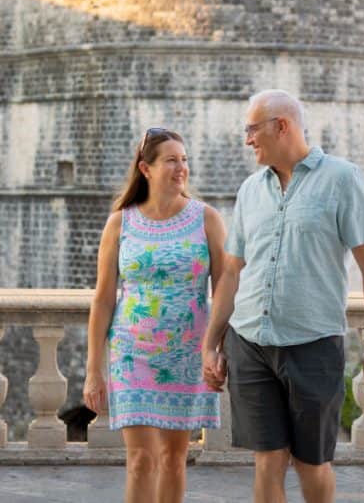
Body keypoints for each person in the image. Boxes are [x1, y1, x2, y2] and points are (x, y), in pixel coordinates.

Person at [201, 90, 364, 503]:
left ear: (281, 126)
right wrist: (211, 344)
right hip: (250, 343)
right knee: (267, 460)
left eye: (252, 129)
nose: (247, 139)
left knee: (311, 463)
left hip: (313, 344)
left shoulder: (342, 179)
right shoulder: (250, 190)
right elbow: (232, 272)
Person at [85, 127, 226, 503]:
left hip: (187, 356)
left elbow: (225, 291)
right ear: (145, 169)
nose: (182, 168)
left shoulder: (207, 219)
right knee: (140, 460)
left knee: (174, 460)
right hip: (132, 355)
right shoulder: (120, 223)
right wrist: (93, 369)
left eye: (185, 159)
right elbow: (103, 299)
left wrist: (217, 348)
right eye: (171, 160)